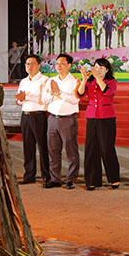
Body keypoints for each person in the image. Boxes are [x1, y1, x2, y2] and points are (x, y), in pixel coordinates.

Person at [77, 58, 120, 190]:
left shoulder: (112, 82)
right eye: (96, 67)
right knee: (91, 148)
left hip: (107, 116)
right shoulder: (90, 82)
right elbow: (80, 94)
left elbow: (107, 92)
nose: (98, 70)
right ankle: (92, 180)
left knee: (107, 148)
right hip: (92, 116)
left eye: (102, 68)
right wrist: (84, 79)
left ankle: (114, 178)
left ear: (107, 70)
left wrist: (98, 78)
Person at [46, 53, 81, 189]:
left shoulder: (75, 81)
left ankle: (71, 178)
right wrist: (53, 93)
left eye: (62, 63)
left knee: (70, 149)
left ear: (69, 65)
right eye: (57, 63)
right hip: (52, 118)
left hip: (68, 118)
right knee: (53, 150)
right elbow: (45, 99)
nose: (59, 66)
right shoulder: (51, 80)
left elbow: (74, 99)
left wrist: (59, 92)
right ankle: (55, 179)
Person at [15, 54, 49, 185]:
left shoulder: (44, 80)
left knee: (42, 145)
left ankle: (47, 175)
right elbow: (19, 100)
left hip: (38, 114)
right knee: (28, 146)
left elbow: (43, 98)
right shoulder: (23, 81)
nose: (29, 66)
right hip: (26, 114)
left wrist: (26, 97)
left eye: (32, 63)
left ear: (39, 65)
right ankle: (29, 175)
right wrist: (20, 99)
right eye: (27, 64)